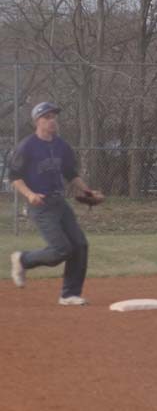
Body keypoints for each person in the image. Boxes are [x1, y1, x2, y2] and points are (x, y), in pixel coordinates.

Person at [8, 101, 104, 305]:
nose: (52, 121)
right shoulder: (27, 146)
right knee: (61, 249)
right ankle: (22, 259)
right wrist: (30, 194)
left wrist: (86, 190)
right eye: (47, 117)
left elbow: (70, 173)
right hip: (40, 206)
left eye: (54, 116)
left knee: (79, 245)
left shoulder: (62, 146)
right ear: (37, 121)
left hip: (59, 202)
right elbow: (14, 176)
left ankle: (69, 295)